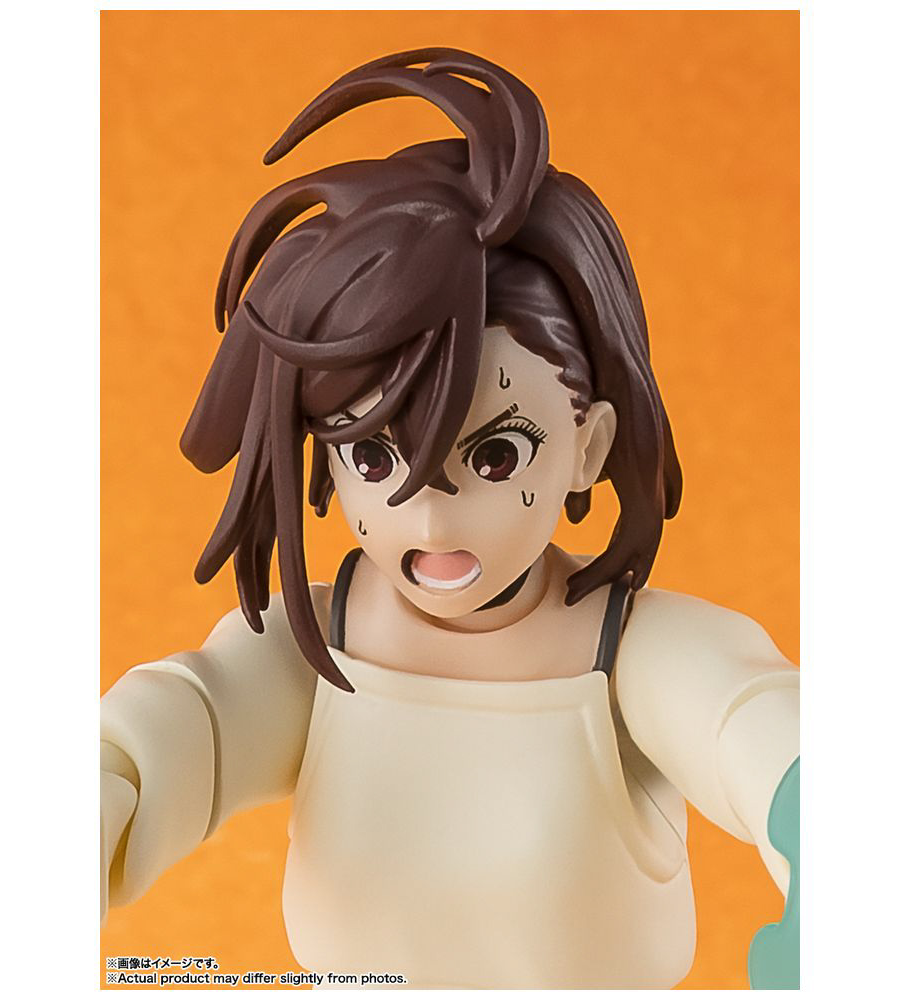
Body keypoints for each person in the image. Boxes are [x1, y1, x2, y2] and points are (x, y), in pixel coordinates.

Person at [101, 48, 799, 989]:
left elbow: (746, 719)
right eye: (374, 457)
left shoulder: (626, 653)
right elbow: (192, 715)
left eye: (496, 456)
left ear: (588, 446)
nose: (428, 520)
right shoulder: (320, 646)